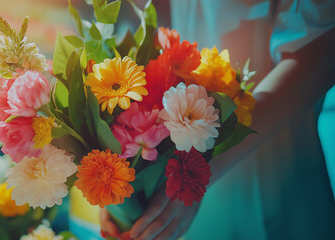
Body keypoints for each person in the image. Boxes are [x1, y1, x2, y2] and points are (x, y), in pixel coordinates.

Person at [100, 0, 335, 239]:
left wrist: (198, 172)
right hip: (173, 183)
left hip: (275, 175)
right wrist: (122, 196)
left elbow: (320, 51)